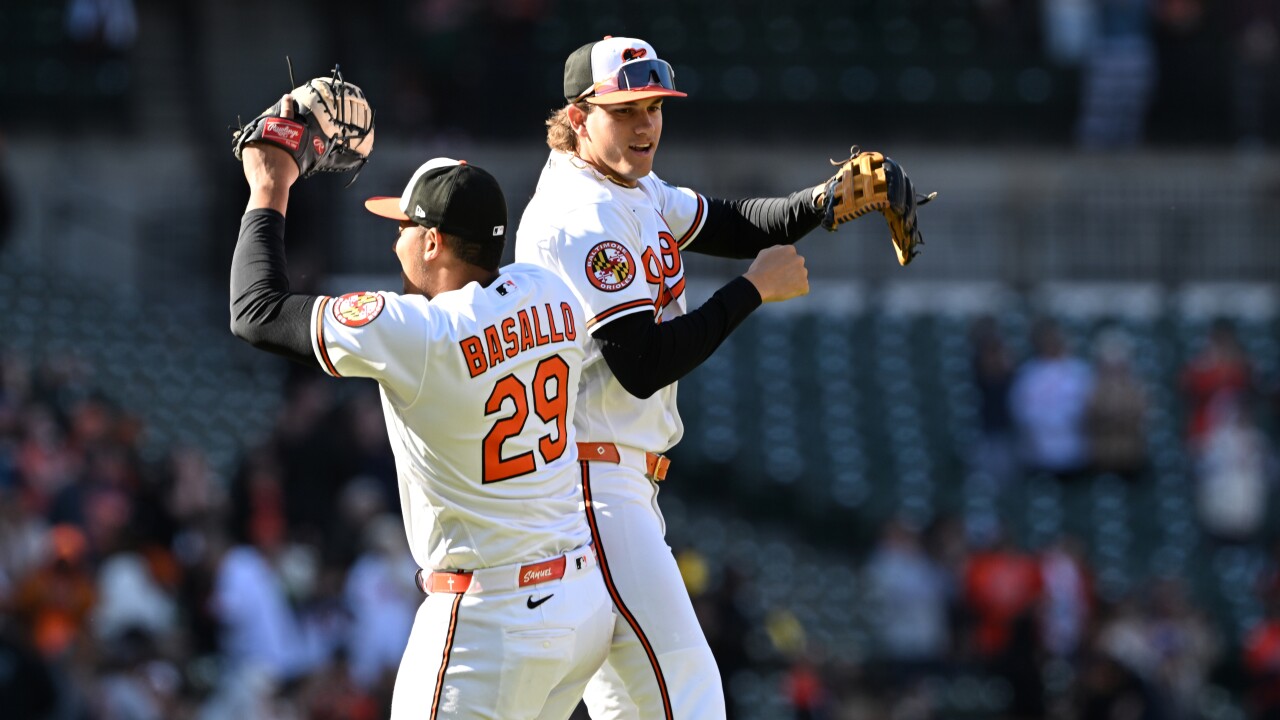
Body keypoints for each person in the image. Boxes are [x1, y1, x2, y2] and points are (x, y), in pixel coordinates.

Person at [229, 97, 614, 719]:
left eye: (404, 228)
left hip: (490, 618)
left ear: (433, 242)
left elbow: (257, 312)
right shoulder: (549, 292)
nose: (396, 242)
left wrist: (269, 187)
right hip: (577, 602)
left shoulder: (422, 332)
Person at [515, 35, 835, 719]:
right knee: (688, 692)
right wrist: (752, 291)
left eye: (655, 107)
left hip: (605, 480)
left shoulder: (627, 187)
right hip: (592, 482)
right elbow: (642, 364)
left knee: (636, 707)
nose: (646, 125)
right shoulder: (583, 212)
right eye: (625, 110)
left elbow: (734, 223)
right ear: (578, 117)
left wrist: (826, 200)